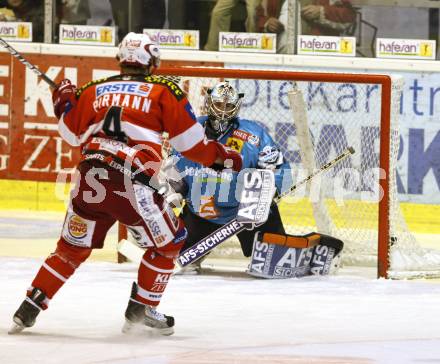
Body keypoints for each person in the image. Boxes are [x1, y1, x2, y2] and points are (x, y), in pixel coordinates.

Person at [9, 33, 242, 335]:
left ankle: (29, 306)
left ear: (120, 59)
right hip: (131, 181)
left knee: (70, 248)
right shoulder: (163, 90)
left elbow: (71, 135)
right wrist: (225, 158)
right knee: (170, 242)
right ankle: (142, 309)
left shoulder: (95, 89)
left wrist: (64, 104)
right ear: (153, 62)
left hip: (89, 177)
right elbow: (191, 145)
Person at [171, 81, 291, 272]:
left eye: (228, 106)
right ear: (210, 102)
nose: (223, 111)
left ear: (237, 107)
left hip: (247, 213)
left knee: (275, 265)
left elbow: (278, 167)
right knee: (179, 263)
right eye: (219, 104)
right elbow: (175, 170)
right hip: (202, 212)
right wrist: (173, 192)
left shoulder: (254, 134)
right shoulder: (191, 130)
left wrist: (271, 189)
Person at [256, 0, 356, 53]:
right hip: (280, 61)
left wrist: (322, 11)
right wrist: (267, 23)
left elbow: (349, 17)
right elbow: (257, 17)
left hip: (316, 61)